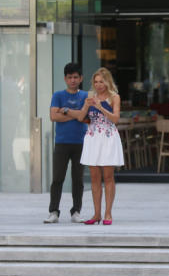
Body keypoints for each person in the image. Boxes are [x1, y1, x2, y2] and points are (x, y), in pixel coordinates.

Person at [73, 67, 124, 225]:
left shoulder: (114, 97)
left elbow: (115, 119)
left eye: (101, 81)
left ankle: (108, 214)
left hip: (108, 137)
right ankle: (96, 214)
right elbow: (81, 117)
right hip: (93, 137)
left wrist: (101, 107)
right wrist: (86, 106)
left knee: (108, 177)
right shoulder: (90, 96)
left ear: (107, 81)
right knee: (94, 178)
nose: (98, 84)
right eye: (96, 82)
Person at [44, 63, 89, 224]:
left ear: (81, 78)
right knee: (57, 178)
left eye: (76, 77)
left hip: (80, 142)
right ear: (65, 78)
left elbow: (86, 117)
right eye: (70, 77)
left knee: (78, 179)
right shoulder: (58, 95)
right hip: (62, 143)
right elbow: (53, 116)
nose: (73, 80)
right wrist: (76, 114)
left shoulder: (85, 96)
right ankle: (53, 211)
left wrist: (66, 111)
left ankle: (76, 211)